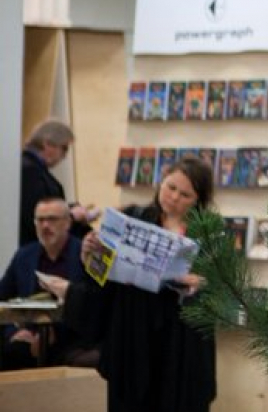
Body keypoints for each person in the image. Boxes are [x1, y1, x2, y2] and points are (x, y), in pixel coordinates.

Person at [72, 157, 217, 412]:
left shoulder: (208, 233)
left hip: (179, 338)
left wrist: (200, 283)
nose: (174, 197)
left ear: (198, 200)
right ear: (161, 182)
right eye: (170, 187)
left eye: (185, 195)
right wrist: (88, 254)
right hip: (134, 328)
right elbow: (100, 275)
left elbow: (219, 289)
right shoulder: (132, 218)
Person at [0, 196, 97, 370]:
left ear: (68, 223)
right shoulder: (24, 256)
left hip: (73, 340)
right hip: (30, 338)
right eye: (40, 220)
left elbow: (95, 306)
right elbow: (2, 297)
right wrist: (14, 332)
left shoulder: (84, 254)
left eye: (52, 219)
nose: (45, 225)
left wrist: (55, 335)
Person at [19, 120, 90, 246]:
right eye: (64, 148)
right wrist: (72, 216)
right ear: (47, 144)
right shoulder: (29, 171)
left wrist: (69, 209)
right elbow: (35, 216)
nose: (65, 156)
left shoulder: (33, 168)